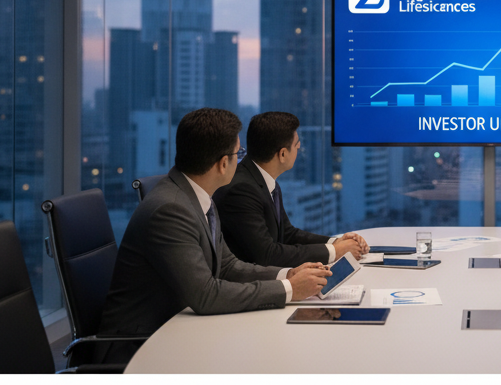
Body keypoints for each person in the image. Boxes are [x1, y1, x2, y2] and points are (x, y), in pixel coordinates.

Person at [97, 108, 331, 363]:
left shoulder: (198, 197)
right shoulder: (171, 209)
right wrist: (288, 289)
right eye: (238, 154)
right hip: (140, 346)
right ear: (222, 163)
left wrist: (287, 275)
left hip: (180, 329)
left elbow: (228, 266)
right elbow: (205, 295)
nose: (241, 160)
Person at [214, 111, 370, 266]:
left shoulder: (264, 180)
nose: (299, 149)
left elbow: (287, 234)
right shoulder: (241, 190)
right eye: (297, 145)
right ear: (282, 154)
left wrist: (337, 242)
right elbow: (267, 255)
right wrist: (336, 251)